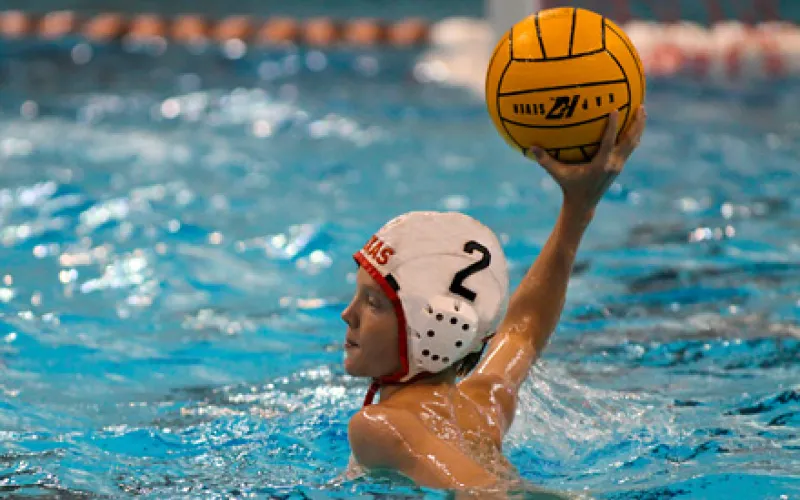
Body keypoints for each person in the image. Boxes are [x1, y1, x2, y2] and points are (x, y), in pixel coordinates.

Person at [341, 108, 647, 493]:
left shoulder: (379, 426)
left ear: (430, 328)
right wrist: (578, 208)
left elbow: (484, 490)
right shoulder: (480, 408)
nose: (347, 315)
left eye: (374, 303)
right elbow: (522, 332)